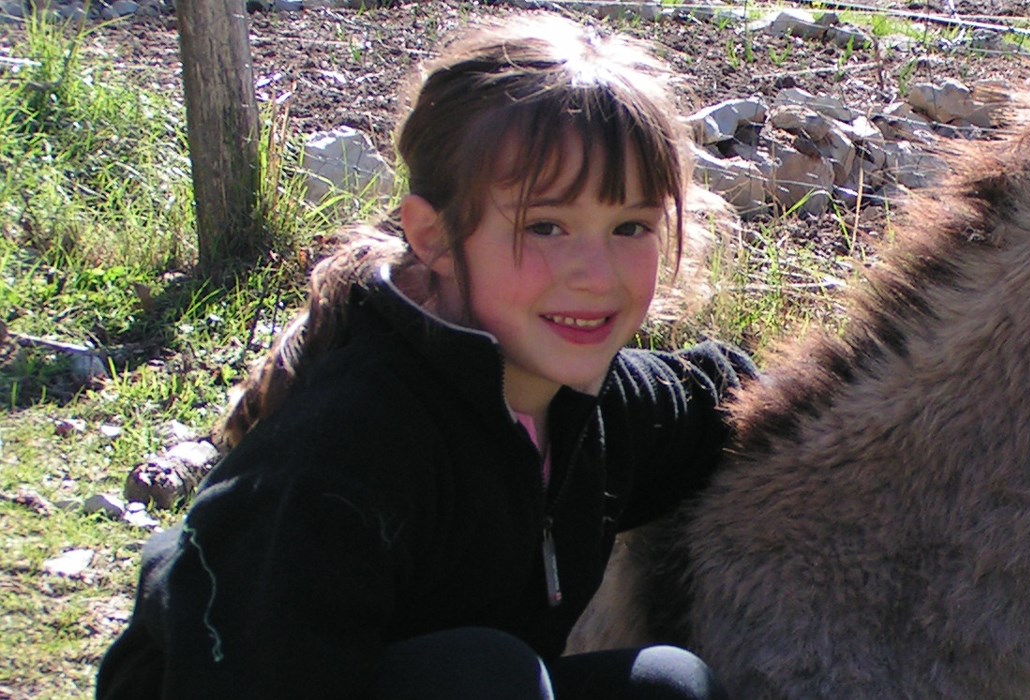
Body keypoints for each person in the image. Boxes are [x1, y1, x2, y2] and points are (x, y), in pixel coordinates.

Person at [96, 14, 754, 700]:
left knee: (664, 687)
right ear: (434, 237)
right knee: (490, 678)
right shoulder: (342, 457)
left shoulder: (592, 407)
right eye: (546, 226)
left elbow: (725, 393)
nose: (596, 273)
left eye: (630, 227)